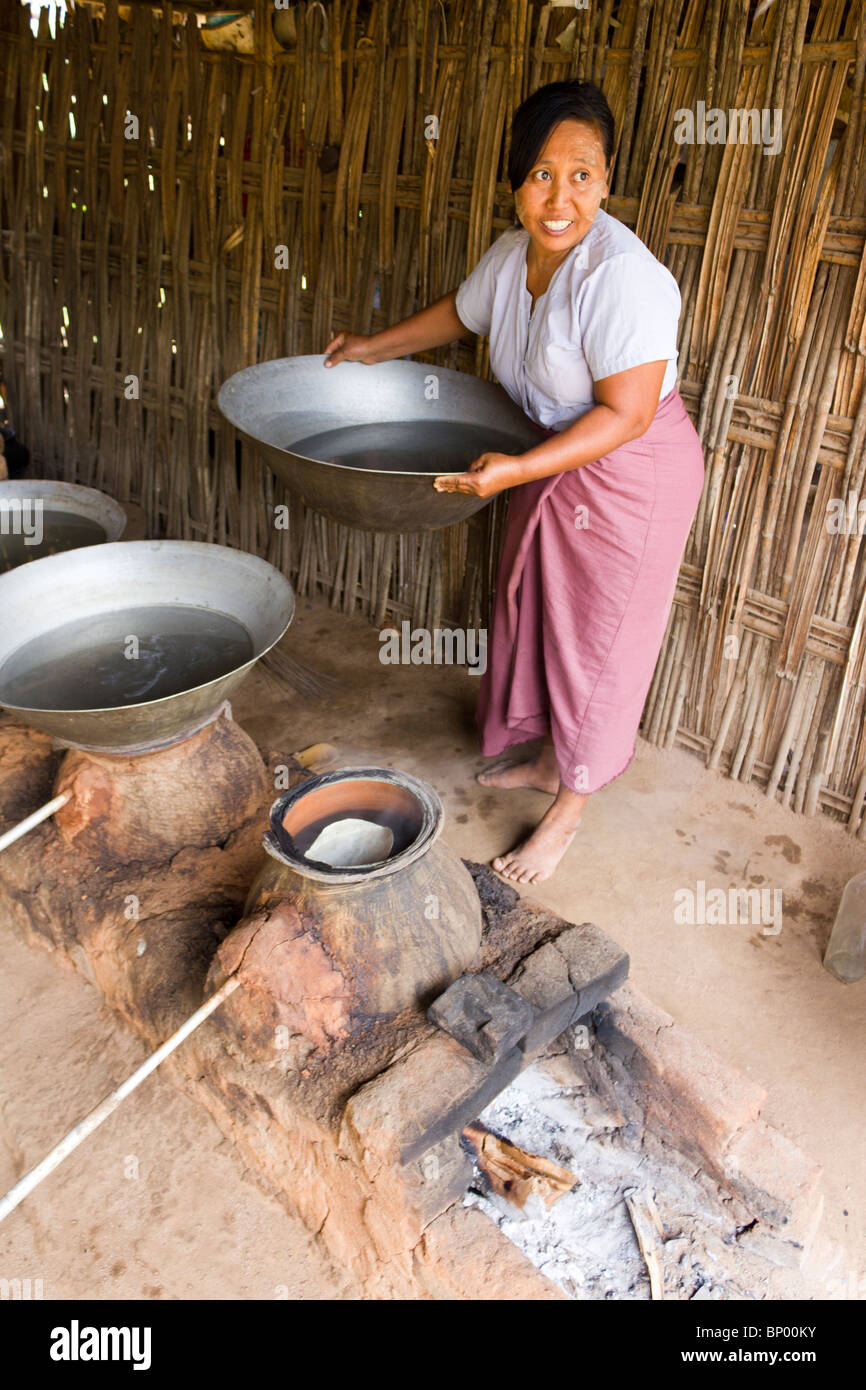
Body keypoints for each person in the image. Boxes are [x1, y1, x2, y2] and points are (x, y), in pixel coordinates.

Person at [323, 80, 705, 885]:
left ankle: (571, 806)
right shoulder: (510, 255)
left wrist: (520, 469)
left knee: (601, 643)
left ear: (607, 180)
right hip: (552, 459)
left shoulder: (623, 278)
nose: (560, 196)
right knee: (535, 611)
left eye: (582, 174)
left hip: (630, 475)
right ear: (515, 181)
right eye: (540, 174)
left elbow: (629, 415)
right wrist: (372, 349)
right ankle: (547, 760)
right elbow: (460, 316)